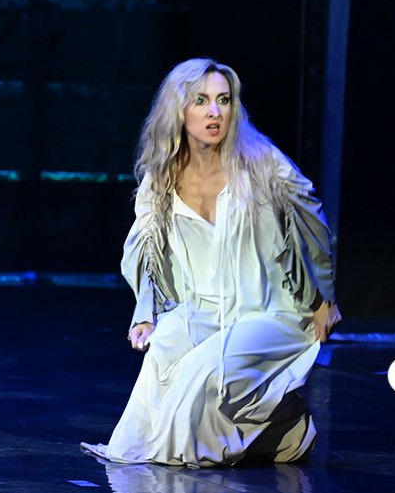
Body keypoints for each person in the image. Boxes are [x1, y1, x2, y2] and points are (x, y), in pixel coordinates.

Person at [82, 58, 341, 468]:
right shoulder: (161, 178)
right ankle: (281, 433)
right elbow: (143, 248)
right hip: (203, 310)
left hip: (270, 311)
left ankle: (222, 444)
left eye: (224, 100)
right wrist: (145, 313)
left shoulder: (261, 162)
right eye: (201, 101)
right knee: (164, 346)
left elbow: (311, 220)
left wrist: (323, 297)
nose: (214, 112)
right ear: (179, 110)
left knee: (206, 370)